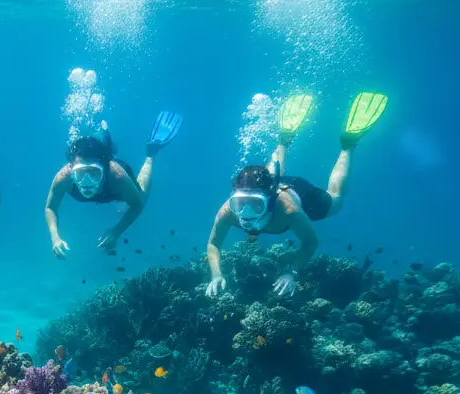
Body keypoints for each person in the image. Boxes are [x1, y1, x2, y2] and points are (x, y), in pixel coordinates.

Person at [206, 92, 388, 298]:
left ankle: (348, 145)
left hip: (302, 194)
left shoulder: (289, 211)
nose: (245, 212)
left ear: (270, 200)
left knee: (336, 200)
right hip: (272, 184)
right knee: (270, 174)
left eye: (255, 205)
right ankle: (283, 140)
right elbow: (213, 244)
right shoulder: (228, 212)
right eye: (240, 203)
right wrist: (216, 275)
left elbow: (311, 242)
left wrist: (292, 272)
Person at [45, 112, 182, 258]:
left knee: (140, 196)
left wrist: (116, 231)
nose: (86, 182)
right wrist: (55, 238)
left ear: (104, 170)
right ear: (71, 169)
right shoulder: (63, 178)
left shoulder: (118, 177)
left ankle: (150, 155)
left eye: (94, 173)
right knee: (105, 149)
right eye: (80, 174)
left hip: (112, 189)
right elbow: (50, 208)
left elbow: (137, 205)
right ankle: (104, 135)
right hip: (105, 179)